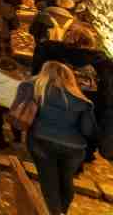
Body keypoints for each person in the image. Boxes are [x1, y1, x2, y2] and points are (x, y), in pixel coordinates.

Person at [16, 61, 97, 215]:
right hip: (73, 149)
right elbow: (88, 130)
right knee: (66, 181)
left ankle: (55, 212)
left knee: (49, 181)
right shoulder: (83, 102)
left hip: (41, 141)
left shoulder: (35, 87)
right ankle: (62, 212)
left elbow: (19, 110)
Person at [32, 23, 113, 164]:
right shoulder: (101, 64)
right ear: (90, 43)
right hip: (82, 124)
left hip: (49, 120)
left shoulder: (49, 53)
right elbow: (106, 96)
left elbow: (36, 76)